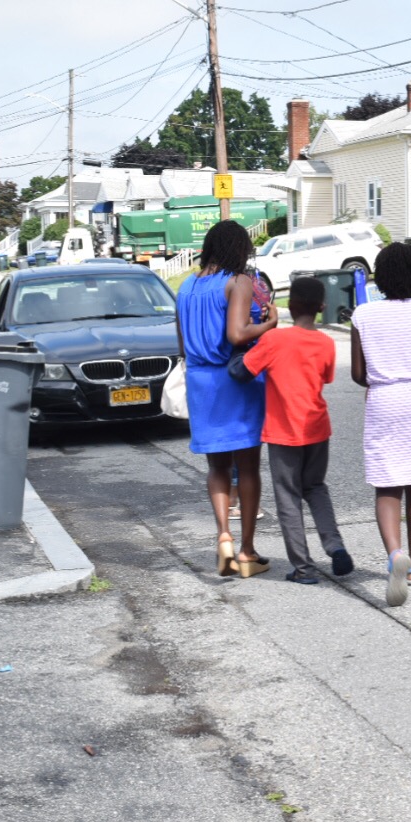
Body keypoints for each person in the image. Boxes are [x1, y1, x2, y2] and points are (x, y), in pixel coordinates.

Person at [350, 242, 411, 609]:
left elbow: (359, 374)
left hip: (384, 400)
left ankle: (394, 554)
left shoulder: (363, 315)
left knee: (386, 484)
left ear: (381, 275)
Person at [175, 219, 274, 579]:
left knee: (217, 467)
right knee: (247, 467)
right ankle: (246, 551)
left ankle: (223, 537)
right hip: (235, 380)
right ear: (239, 249)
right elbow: (237, 334)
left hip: (200, 382)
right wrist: (268, 324)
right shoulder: (238, 282)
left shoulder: (186, 286)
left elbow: (182, 344)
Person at [243, 276, 355, 585]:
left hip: (283, 432)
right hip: (317, 428)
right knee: (315, 487)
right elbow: (326, 377)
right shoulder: (326, 343)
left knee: (288, 497)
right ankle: (335, 546)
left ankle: (304, 569)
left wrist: (262, 328)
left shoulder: (274, 340)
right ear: (322, 307)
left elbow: (241, 370)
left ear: (289, 306)